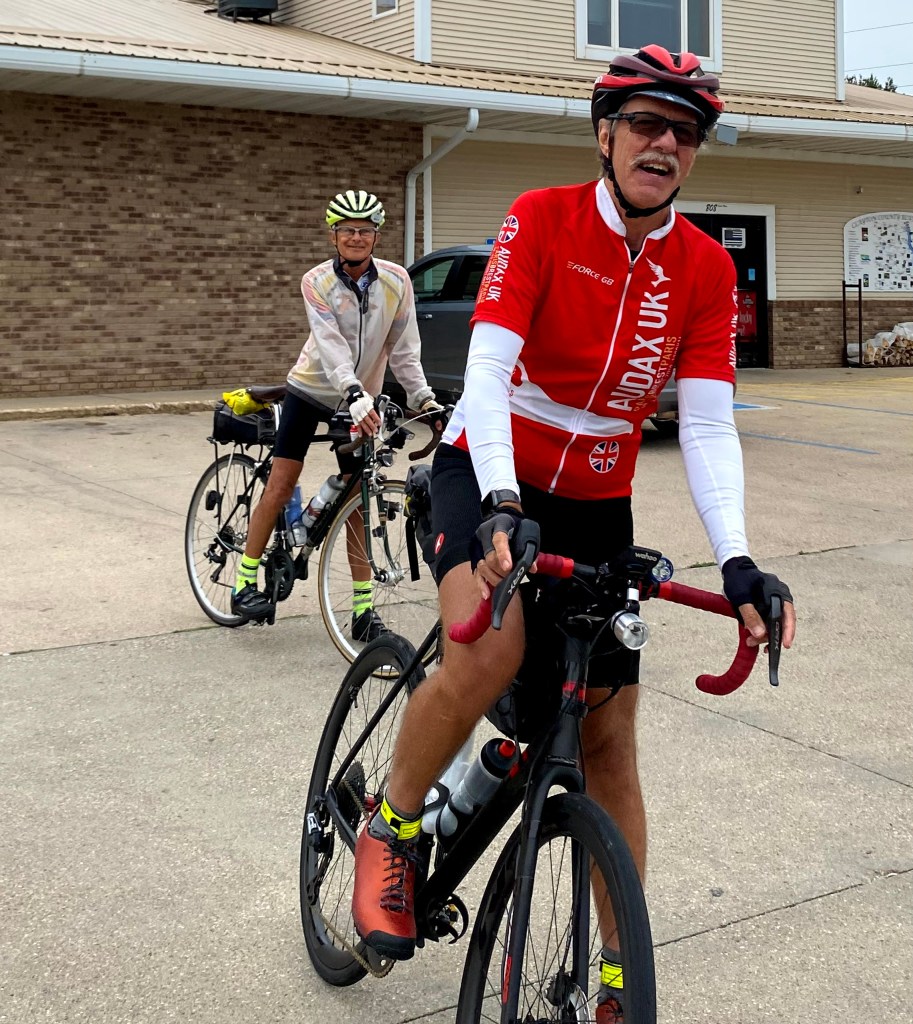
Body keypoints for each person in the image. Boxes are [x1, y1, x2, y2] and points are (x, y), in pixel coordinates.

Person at [351, 45, 796, 1021]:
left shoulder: (703, 265)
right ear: (605, 133)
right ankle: (390, 830)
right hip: (489, 466)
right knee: (488, 648)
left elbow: (707, 423)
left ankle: (616, 977)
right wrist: (502, 500)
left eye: (684, 131)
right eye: (644, 122)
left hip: (597, 500)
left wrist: (737, 560)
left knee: (608, 738)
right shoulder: (542, 217)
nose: (663, 143)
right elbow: (486, 369)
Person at [229, 189, 445, 636]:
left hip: (360, 397)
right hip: (312, 389)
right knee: (282, 481)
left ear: (376, 236)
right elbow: (329, 346)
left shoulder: (397, 281)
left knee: (357, 498)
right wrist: (353, 391)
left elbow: (404, 349)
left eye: (365, 230)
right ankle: (244, 581)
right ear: (333, 236)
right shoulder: (316, 282)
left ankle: (362, 612)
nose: (356, 237)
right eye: (347, 230)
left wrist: (424, 399)